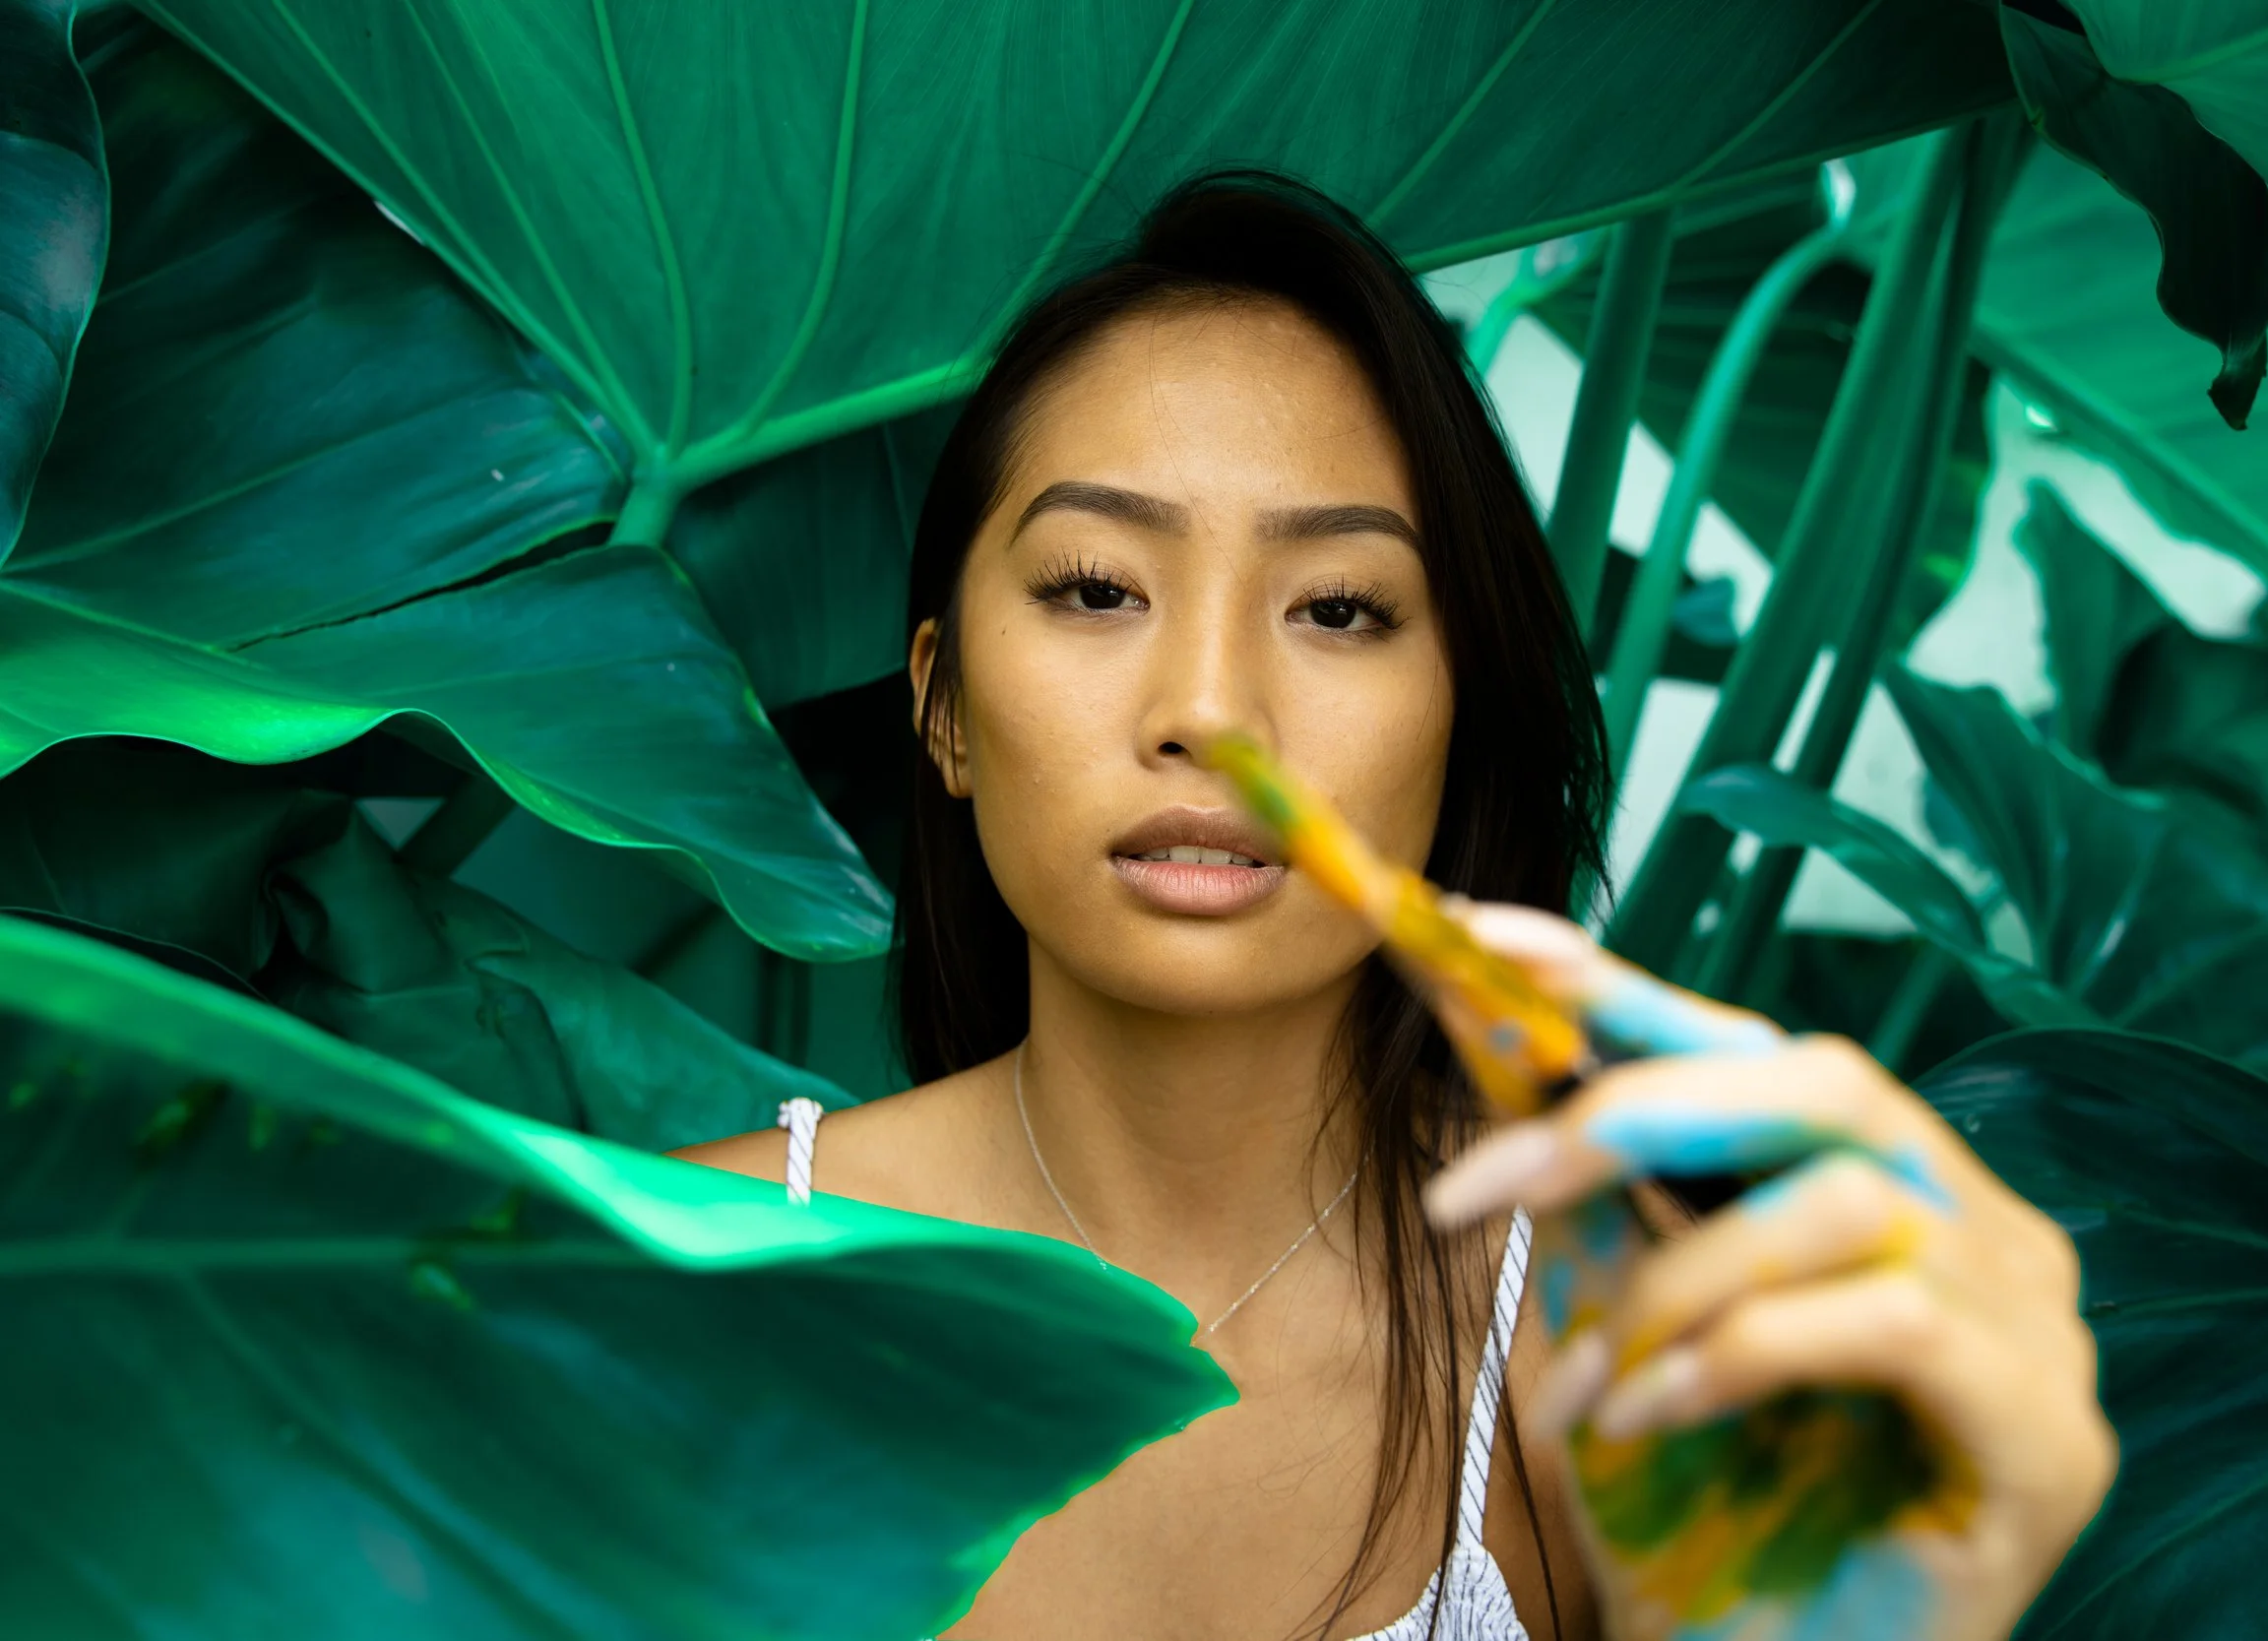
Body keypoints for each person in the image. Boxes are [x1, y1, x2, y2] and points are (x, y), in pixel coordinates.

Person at [675, 170, 2114, 1641]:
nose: (1210, 708)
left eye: (1339, 608)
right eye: (1100, 587)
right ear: (943, 708)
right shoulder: (679, 1288)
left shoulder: (1618, 1341)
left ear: (1458, 720)